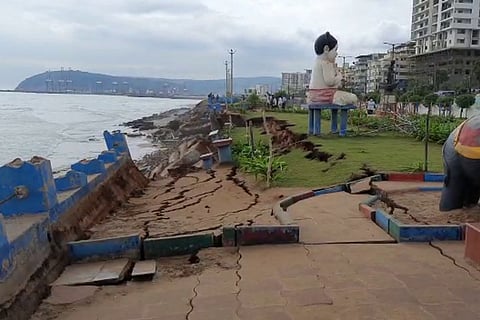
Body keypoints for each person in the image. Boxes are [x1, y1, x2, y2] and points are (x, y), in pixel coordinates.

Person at [307, 32, 358, 106]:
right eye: (335, 50)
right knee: (353, 97)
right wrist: (339, 76)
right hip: (325, 96)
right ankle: (337, 100)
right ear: (326, 49)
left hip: (313, 96)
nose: (336, 54)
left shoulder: (317, 62)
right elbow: (330, 81)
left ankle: (337, 99)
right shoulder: (326, 63)